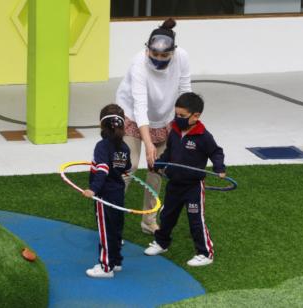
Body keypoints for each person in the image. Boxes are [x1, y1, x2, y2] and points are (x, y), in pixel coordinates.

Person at [116, 17, 192, 235]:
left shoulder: (182, 57)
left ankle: (148, 220)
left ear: (173, 52)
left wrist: (184, 127)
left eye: (164, 55)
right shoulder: (138, 63)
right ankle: (112, 218)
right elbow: (140, 106)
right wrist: (148, 143)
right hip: (132, 114)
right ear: (147, 49)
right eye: (154, 54)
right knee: (128, 166)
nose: (159, 59)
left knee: (156, 169)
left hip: (164, 115)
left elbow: (185, 90)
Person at [144, 93, 226, 267]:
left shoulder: (203, 136)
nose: (177, 119)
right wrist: (159, 163)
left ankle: (205, 253)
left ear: (195, 116)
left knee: (196, 219)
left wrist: (219, 167)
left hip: (193, 187)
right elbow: (169, 153)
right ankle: (162, 243)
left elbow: (216, 152)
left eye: (182, 116)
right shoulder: (174, 131)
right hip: (174, 184)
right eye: (176, 115)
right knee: (167, 216)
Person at [83, 104, 132, 278]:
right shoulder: (125, 147)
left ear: (101, 125)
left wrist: (93, 189)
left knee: (105, 230)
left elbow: (102, 169)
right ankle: (116, 261)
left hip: (104, 195)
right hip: (118, 193)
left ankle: (105, 267)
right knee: (116, 228)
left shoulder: (102, 146)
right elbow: (127, 168)